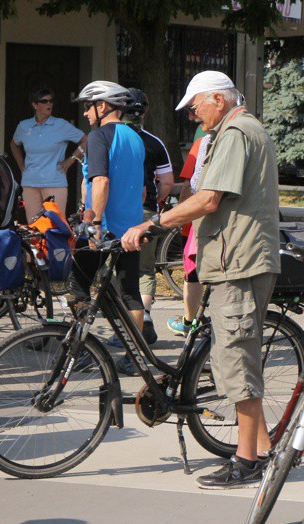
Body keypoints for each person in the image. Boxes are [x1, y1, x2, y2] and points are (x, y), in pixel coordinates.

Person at [123, 71, 281, 489]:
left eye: (196, 106)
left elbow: (210, 198)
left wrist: (155, 223)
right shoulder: (247, 128)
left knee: (236, 361)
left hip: (240, 262)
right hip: (241, 258)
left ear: (218, 98)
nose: (194, 115)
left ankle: (247, 461)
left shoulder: (234, 133)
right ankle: (262, 448)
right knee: (235, 355)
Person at [69, 81, 146, 377]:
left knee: (77, 285)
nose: (86, 113)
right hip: (132, 226)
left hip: (107, 228)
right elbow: (140, 189)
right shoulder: (135, 137)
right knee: (130, 293)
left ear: (103, 107)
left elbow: (99, 182)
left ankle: (85, 351)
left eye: (88, 106)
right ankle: (134, 357)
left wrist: (94, 224)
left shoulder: (99, 136)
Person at [116, 88, 174, 349]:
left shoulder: (110, 137)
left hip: (115, 212)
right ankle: (146, 317)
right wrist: (156, 202)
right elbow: (166, 182)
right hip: (146, 211)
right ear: (146, 111)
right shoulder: (154, 142)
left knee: (117, 269)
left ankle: (125, 324)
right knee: (144, 268)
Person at [10, 88, 86, 220]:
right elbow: (13, 144)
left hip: (54, 182)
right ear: (35, 105)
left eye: (51, 101)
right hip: (30, 183)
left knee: (54, 227)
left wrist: (71, 159)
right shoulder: (24, 126)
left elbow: (86, 140)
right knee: (34, 228)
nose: (49, 104)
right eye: (44, 101)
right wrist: (21, 165)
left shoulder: (61, 124)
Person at [167, 112, 210, 337]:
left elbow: (187, 186)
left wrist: (180, 214)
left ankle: (189, 322)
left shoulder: (201, 144)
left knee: (192, 274)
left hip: (196, 221)